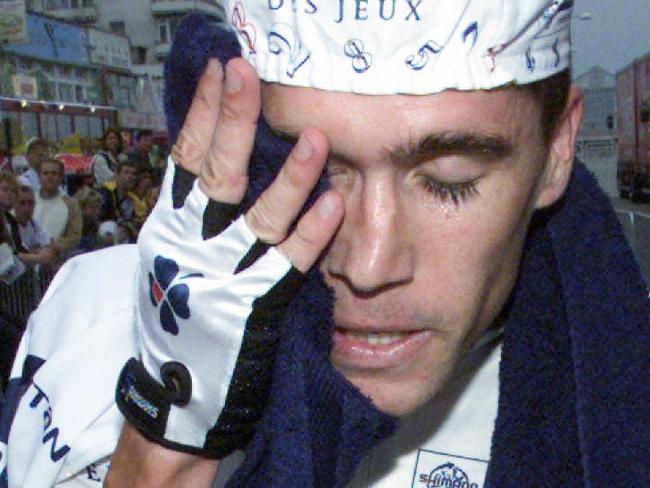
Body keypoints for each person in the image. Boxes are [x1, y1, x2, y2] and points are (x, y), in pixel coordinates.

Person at [2, 3, 650, 488]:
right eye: (309, 171)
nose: (368, 266)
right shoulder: (95, 316)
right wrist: (166, 440)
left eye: (449, 184)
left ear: (559, 152)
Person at [33, 158, 82, 263]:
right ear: (39, 177)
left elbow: (74, 236)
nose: (50, 177)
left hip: (56, 261)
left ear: (61, 178)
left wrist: (55, 247)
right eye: (45, 173)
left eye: (54, 173)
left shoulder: (71, 204)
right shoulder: (29, 200)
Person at [12, 185, 56, 267]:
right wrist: (37, 255)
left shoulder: (34, 224)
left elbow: (51, 245)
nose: (27, 208)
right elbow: (14, 256)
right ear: (14, 204)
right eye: (22, 203)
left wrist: (33, 252)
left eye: (30, 203)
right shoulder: (9, 225)